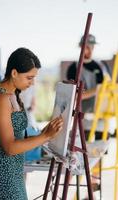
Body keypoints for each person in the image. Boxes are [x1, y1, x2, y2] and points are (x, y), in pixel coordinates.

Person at [0, 47, 63, 200]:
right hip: (1, 176)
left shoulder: (11, 95)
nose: (32, 83)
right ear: (14, 73)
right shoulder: (0, 100)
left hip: (13, 173)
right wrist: (45, 136)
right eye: (29, 77)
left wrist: (42, 134)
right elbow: (10, 147)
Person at [66, 34, 111, 197]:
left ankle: (91, 192)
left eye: (92, 47)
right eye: (87, 46)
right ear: (80, 47)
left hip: (100, 120)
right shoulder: (74, 68)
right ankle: (70, 192)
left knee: (97, 155)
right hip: (82, 120)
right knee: (78, 156)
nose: (89, 50)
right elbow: (74, 94)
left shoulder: (101, 66)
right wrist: (96, 91)